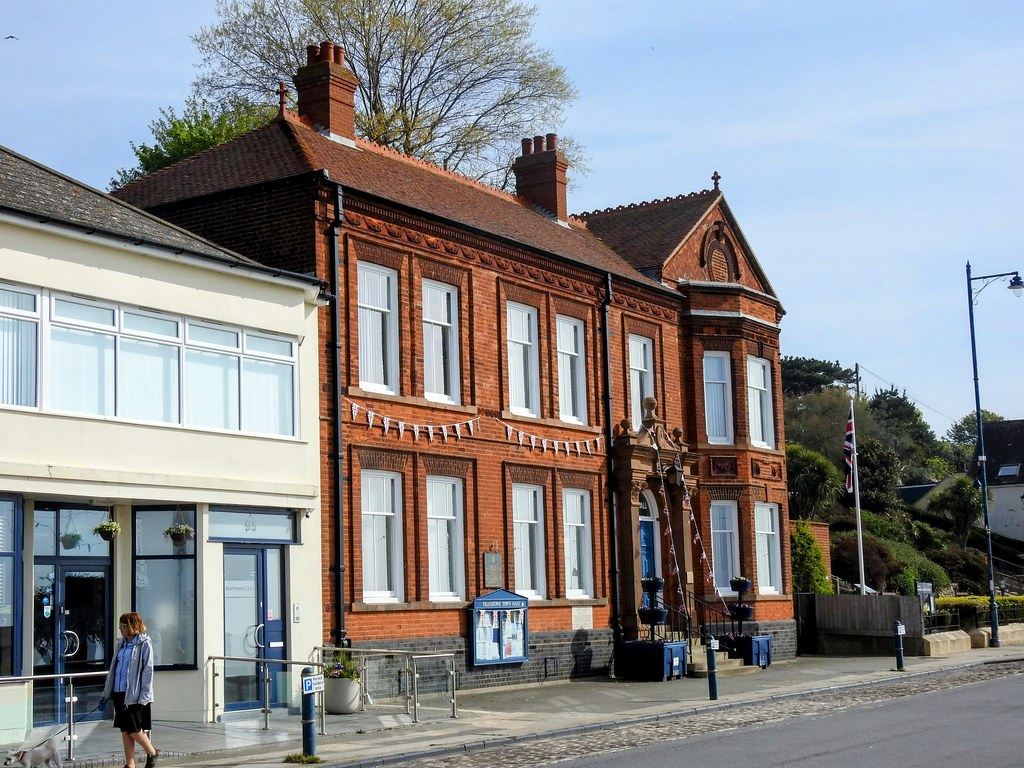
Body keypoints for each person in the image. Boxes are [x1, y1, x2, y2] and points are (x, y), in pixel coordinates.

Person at [100, 612, 159, 768]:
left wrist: (144, 695)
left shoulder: (144, 643)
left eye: (123, 625)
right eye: (120, 625)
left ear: (132, 626)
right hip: (119, 692)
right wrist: (107, 692)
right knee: (125, 729)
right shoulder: (122, 643)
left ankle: (152, 752)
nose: (120, 628)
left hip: (134, 694)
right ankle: (130, 764)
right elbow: (114, 668)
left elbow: (148, 671)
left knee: (134, 729)